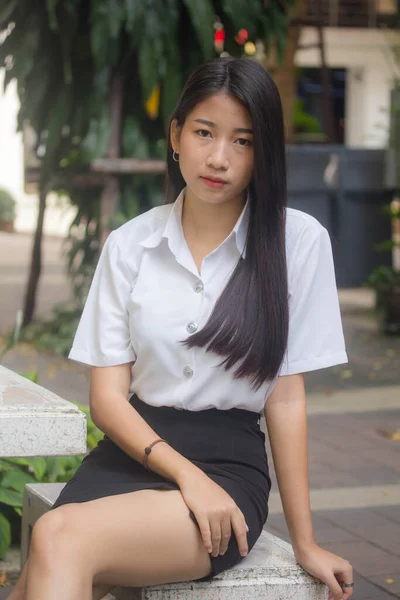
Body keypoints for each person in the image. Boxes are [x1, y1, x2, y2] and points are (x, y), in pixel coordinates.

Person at [11, 57, 354, 600]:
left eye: (243, 141)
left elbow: (286, 398)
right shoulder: (130, 245)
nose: (219, 157)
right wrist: (185, 476)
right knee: (43, 564)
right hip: (131, 451)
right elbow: (107, 400)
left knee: (57, 535)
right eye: (204, 132)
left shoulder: (298, 244)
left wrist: (306, 541)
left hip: (228, 467)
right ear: (176, 135)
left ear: (263, 153)